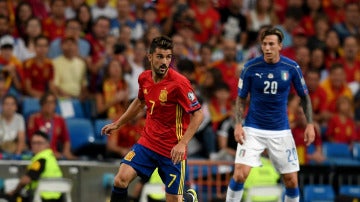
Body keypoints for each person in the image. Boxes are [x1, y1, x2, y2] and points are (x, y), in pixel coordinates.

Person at [101, 36, 204, 202]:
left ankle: (189, 197)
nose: (165, 62)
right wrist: (118, 123)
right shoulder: (144, 78)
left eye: (168, 57)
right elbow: (140, 101)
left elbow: (198, 114)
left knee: (175, 200)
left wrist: (182, 143)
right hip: (147, 144)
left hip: (172, 151)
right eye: (160, 56)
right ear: (150, 57)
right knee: (120, 179)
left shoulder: (179, 83)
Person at [225, 27, 315, 202]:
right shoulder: (250, 67)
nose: (267, 48)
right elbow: (241, 99)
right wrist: (238, 124)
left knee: (291, 180)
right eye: (264, 44)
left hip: (280, 130)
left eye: (271, 44)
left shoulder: (291, 67)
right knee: (239, 174)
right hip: (253, 129)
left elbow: (304, 97)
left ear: (280, 46)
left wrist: (310, 124)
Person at [5, 130, 63, 202]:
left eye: (39, 143)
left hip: (43, 197)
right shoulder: (50, 157)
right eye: (33, 143)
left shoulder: (41, 160)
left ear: (47, 144)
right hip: (58, 197)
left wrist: (14, 191)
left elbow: (26, 180)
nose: (36, 146)